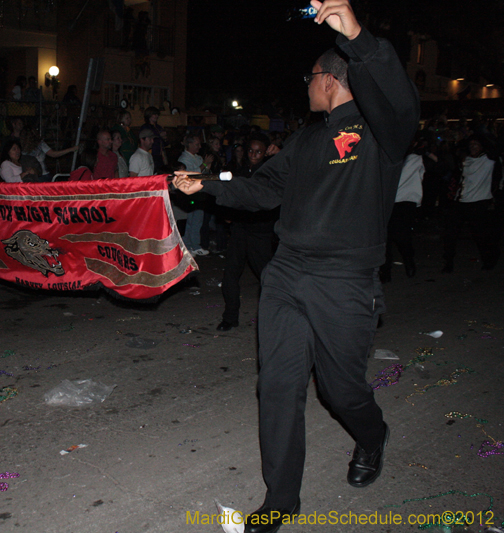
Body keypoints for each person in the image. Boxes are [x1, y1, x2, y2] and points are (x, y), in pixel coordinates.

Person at [173, 2, 419, 531]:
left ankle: (372, 437)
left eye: (310, 78)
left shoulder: (381, 134)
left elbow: (398, 104)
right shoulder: (307, 139)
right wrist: (208, 185)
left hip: (343, 282)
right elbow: (263, 187)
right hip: (286, 276)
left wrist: (355, 34)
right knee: (278, 387)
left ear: (330, 81)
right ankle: (281, 499)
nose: (305, 86)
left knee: (339, 390)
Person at [217, 133, 278, 332]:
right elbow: (233, 193)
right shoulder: (240, 171)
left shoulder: (270, 172)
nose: (253, 154)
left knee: (267, 277)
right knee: (230, 275)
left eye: (258, 151)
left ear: (265, 153)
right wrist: (228, 213)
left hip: (260, 231)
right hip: (240, 228)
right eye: (251, 150)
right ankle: (230, 317)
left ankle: (277, 317)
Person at [441, 135, 501, 272]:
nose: (473, 146)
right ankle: (448, 262)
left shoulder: (488, 160)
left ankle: (489, 259)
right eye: (471, 144)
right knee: (450, 233)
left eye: (476, 144)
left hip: (478, 203)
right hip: (460, 202)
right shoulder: (465, 160)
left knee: (480, 235)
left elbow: (496, 149)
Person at [380, 137, 425, 282]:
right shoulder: (389, 157)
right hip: (388, 201)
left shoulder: (416, 159)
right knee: (384, 237)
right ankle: (385, 272)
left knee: (401, 236)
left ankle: (409, 261)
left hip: (406, 201)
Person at [178, 134, 214, 256]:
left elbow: (204, 172)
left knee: (196, 220)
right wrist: (204, 164)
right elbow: (192, 174)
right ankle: (192, 245)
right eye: (197, 144)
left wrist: (207, 166)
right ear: (189, 144)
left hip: (200, 192)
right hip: (191, 193)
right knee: (193, 221)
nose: (199, 147)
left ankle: (190, 245)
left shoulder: (197, 157)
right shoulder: (184, 158)